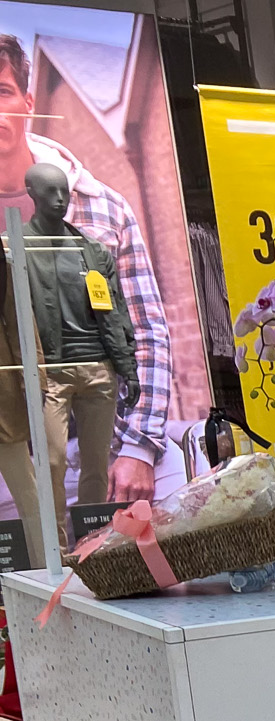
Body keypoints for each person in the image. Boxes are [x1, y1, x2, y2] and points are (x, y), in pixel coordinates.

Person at [0, 32, 169, 514]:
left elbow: (145, 332)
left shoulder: (102, 208)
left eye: (2, 92)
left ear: (28, 102)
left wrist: (139, 446)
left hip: (101, 444)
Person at [24, 162, 138, 518]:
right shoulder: (16, 250)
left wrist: (128, 368)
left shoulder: (93, 251)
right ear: (31, 193)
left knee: (96, 464)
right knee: (52, 461)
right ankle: (55, 543)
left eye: (64, 191)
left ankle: (91, 538)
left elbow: (116, 313)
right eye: (50, 191)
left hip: (99, 370)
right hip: (50, 373)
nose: (60, 199)